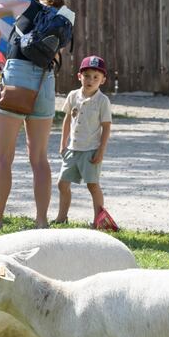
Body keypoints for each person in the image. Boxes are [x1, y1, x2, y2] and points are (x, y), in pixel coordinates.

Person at [0, 0, 74, 231]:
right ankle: (41, 221)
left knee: (3, 157)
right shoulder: (61, 23)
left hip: (17, 78)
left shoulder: (25, 5)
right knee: (39, 158)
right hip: (45, 82)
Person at [53, 55, 113, 228]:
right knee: (62, 184)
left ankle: (99, 221)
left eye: (96, 77)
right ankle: (61, 217)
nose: (90, 80)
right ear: (79, 76)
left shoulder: (102, 101)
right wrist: (63, 143)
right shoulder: (73, 96)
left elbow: (106, 127)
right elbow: (66, 120)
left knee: (92, 185)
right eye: (87, 76)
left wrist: (101, 151)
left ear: (103, 80)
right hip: (72, 149)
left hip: (91, 150)